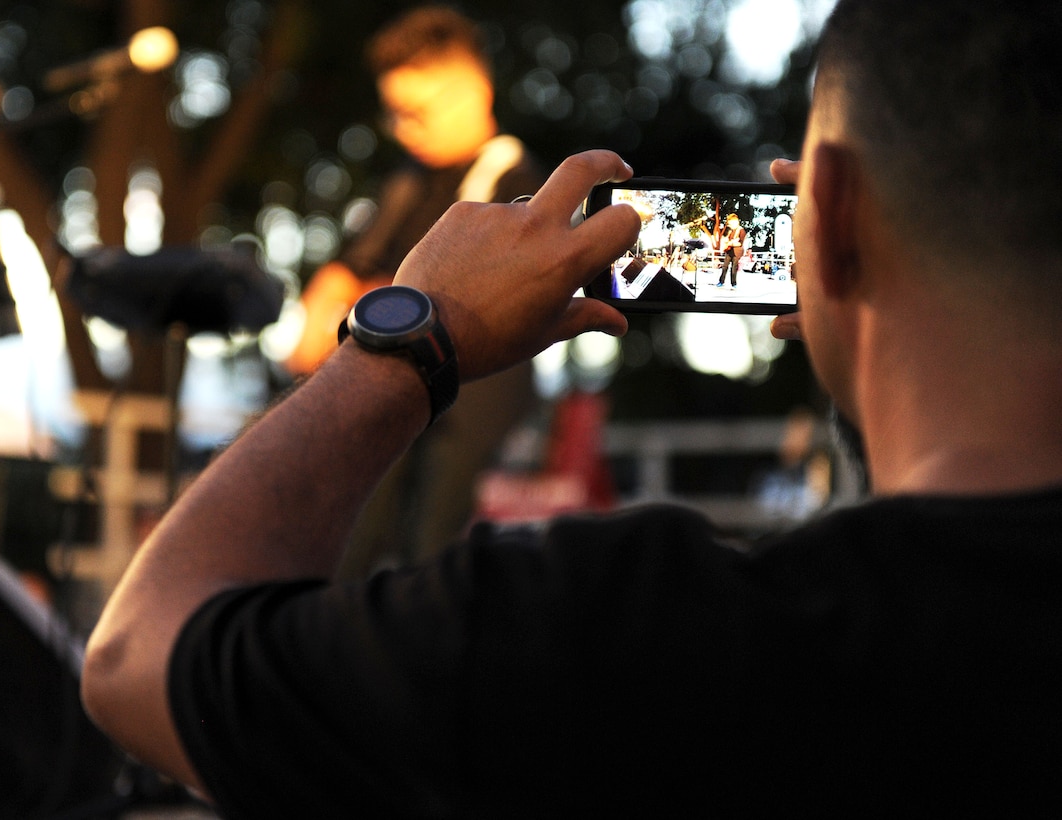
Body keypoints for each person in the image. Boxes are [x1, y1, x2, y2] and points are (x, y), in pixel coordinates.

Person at [81, 0, 1062, 815]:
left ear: (833, 213)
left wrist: (399, 341)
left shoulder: (612, 641)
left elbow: (138, 654)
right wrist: (870, 328)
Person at [285, 5, 548, 576]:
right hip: (402, 383)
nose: (404, 128)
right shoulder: (408, 181)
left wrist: (356, 300)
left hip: (476, 383)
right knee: (354, 532)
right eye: (394, 114)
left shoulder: (512, 178)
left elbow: (472, 287)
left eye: (416, 111)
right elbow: (357, 259)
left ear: (473, 90)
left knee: (431, 545)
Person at [715, 212, 746, 288]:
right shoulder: (731, 231)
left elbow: (740, 243)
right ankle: (721, 281)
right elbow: (728, 240)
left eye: (730, 223)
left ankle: (734, 283)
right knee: (724, 266)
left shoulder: (741, 231)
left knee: (734, 268)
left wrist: (731, 243)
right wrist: (727, 242)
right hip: (729, 251)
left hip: (737, 251)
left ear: (735, 221)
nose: (730, 225)